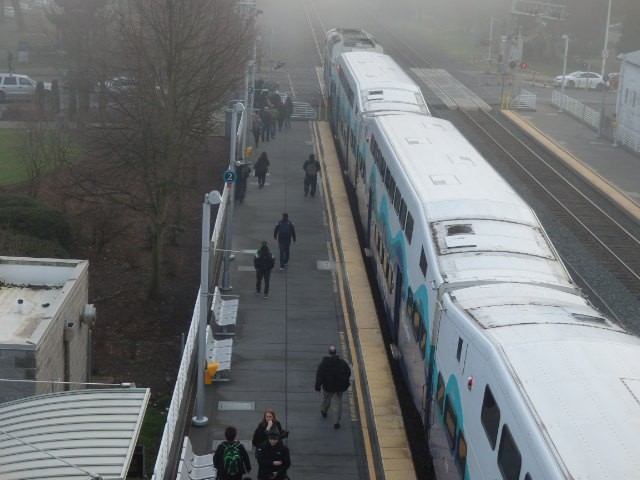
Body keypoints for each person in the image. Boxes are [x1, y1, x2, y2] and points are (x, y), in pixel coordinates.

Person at [315, 345, 351, 429]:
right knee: (337, 403)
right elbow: (348, 373)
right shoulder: (342, 363)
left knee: (327, 399)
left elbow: (319, 376)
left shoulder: (324, 364)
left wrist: (317, 387)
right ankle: (336, 422)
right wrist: (345, 382)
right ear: (335, 352)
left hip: (328, 387)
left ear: (329, 352)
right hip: (339, 388)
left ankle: (324, 410)